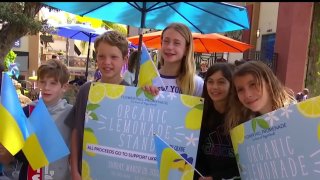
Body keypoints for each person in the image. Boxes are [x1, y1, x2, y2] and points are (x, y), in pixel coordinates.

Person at [65, 30, 130, 180]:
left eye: (114, 57)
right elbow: (76, 131)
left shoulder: (132, 94)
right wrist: (74, 170)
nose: (107, 62)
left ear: (125, 59)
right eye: (101, 56)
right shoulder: (86, 90)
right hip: (86, 172)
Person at [0, 59, 73, 179]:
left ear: (64, 87)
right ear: (38, 83)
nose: (46, 87)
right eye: (42, 82)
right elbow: (7, 158)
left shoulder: (71, 114)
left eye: (53, 83)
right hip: (30, 175)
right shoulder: (26, 112)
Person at [194, 63, 239, 180]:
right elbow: (193, 153)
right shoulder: (198, 115)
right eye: (210, 81)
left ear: (232, 85)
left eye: (221, 82)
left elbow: (245, 164)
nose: (214, 87)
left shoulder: (242, 118)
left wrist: (216, 178)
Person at [225, 61, 295, 133]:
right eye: (240, 89)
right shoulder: (242, 126)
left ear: (268, 83)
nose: (247, 94)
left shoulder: (296, 115)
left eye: (253, 84)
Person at [143, 22, 204, 97]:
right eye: (166, 41)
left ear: (186, 49)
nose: (169, 47)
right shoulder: (148, 80)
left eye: (176, 43)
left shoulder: (197, 84)